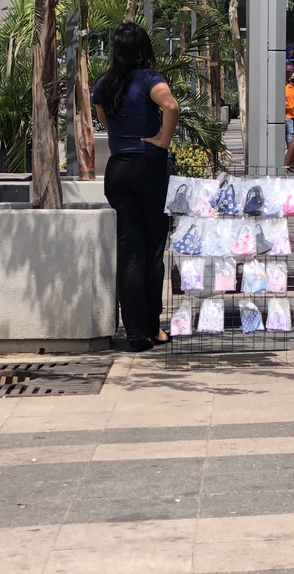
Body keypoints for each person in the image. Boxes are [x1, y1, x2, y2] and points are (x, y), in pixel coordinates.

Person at [93, 22, 180, 352]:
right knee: (153, 251)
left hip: (117, 170)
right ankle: (153, 327)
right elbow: (171, 106)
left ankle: (134, 333)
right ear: (144, 48)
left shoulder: (104, 83)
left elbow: (104, 121)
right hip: (149, 167)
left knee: (130, 252)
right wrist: (162, 139)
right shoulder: (149, 79)